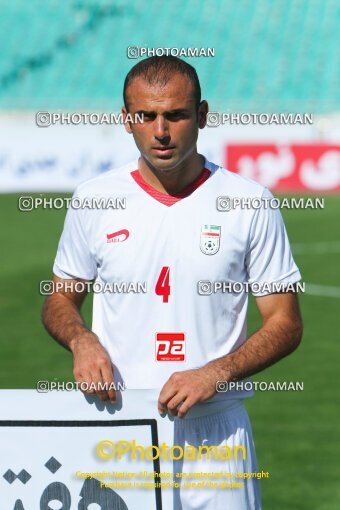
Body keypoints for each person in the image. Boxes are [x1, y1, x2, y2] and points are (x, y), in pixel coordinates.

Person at [42, 55, 303, 510]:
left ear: (201, 115)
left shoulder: (250, 203)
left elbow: (286, 323)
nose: (160, 130)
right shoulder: (93, 199)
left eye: (176, 115)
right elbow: (59, 299)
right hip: (118, 426)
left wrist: (217, 372)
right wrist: (81, 339)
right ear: (127, 120)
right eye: (146, 116)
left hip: (217, 436)